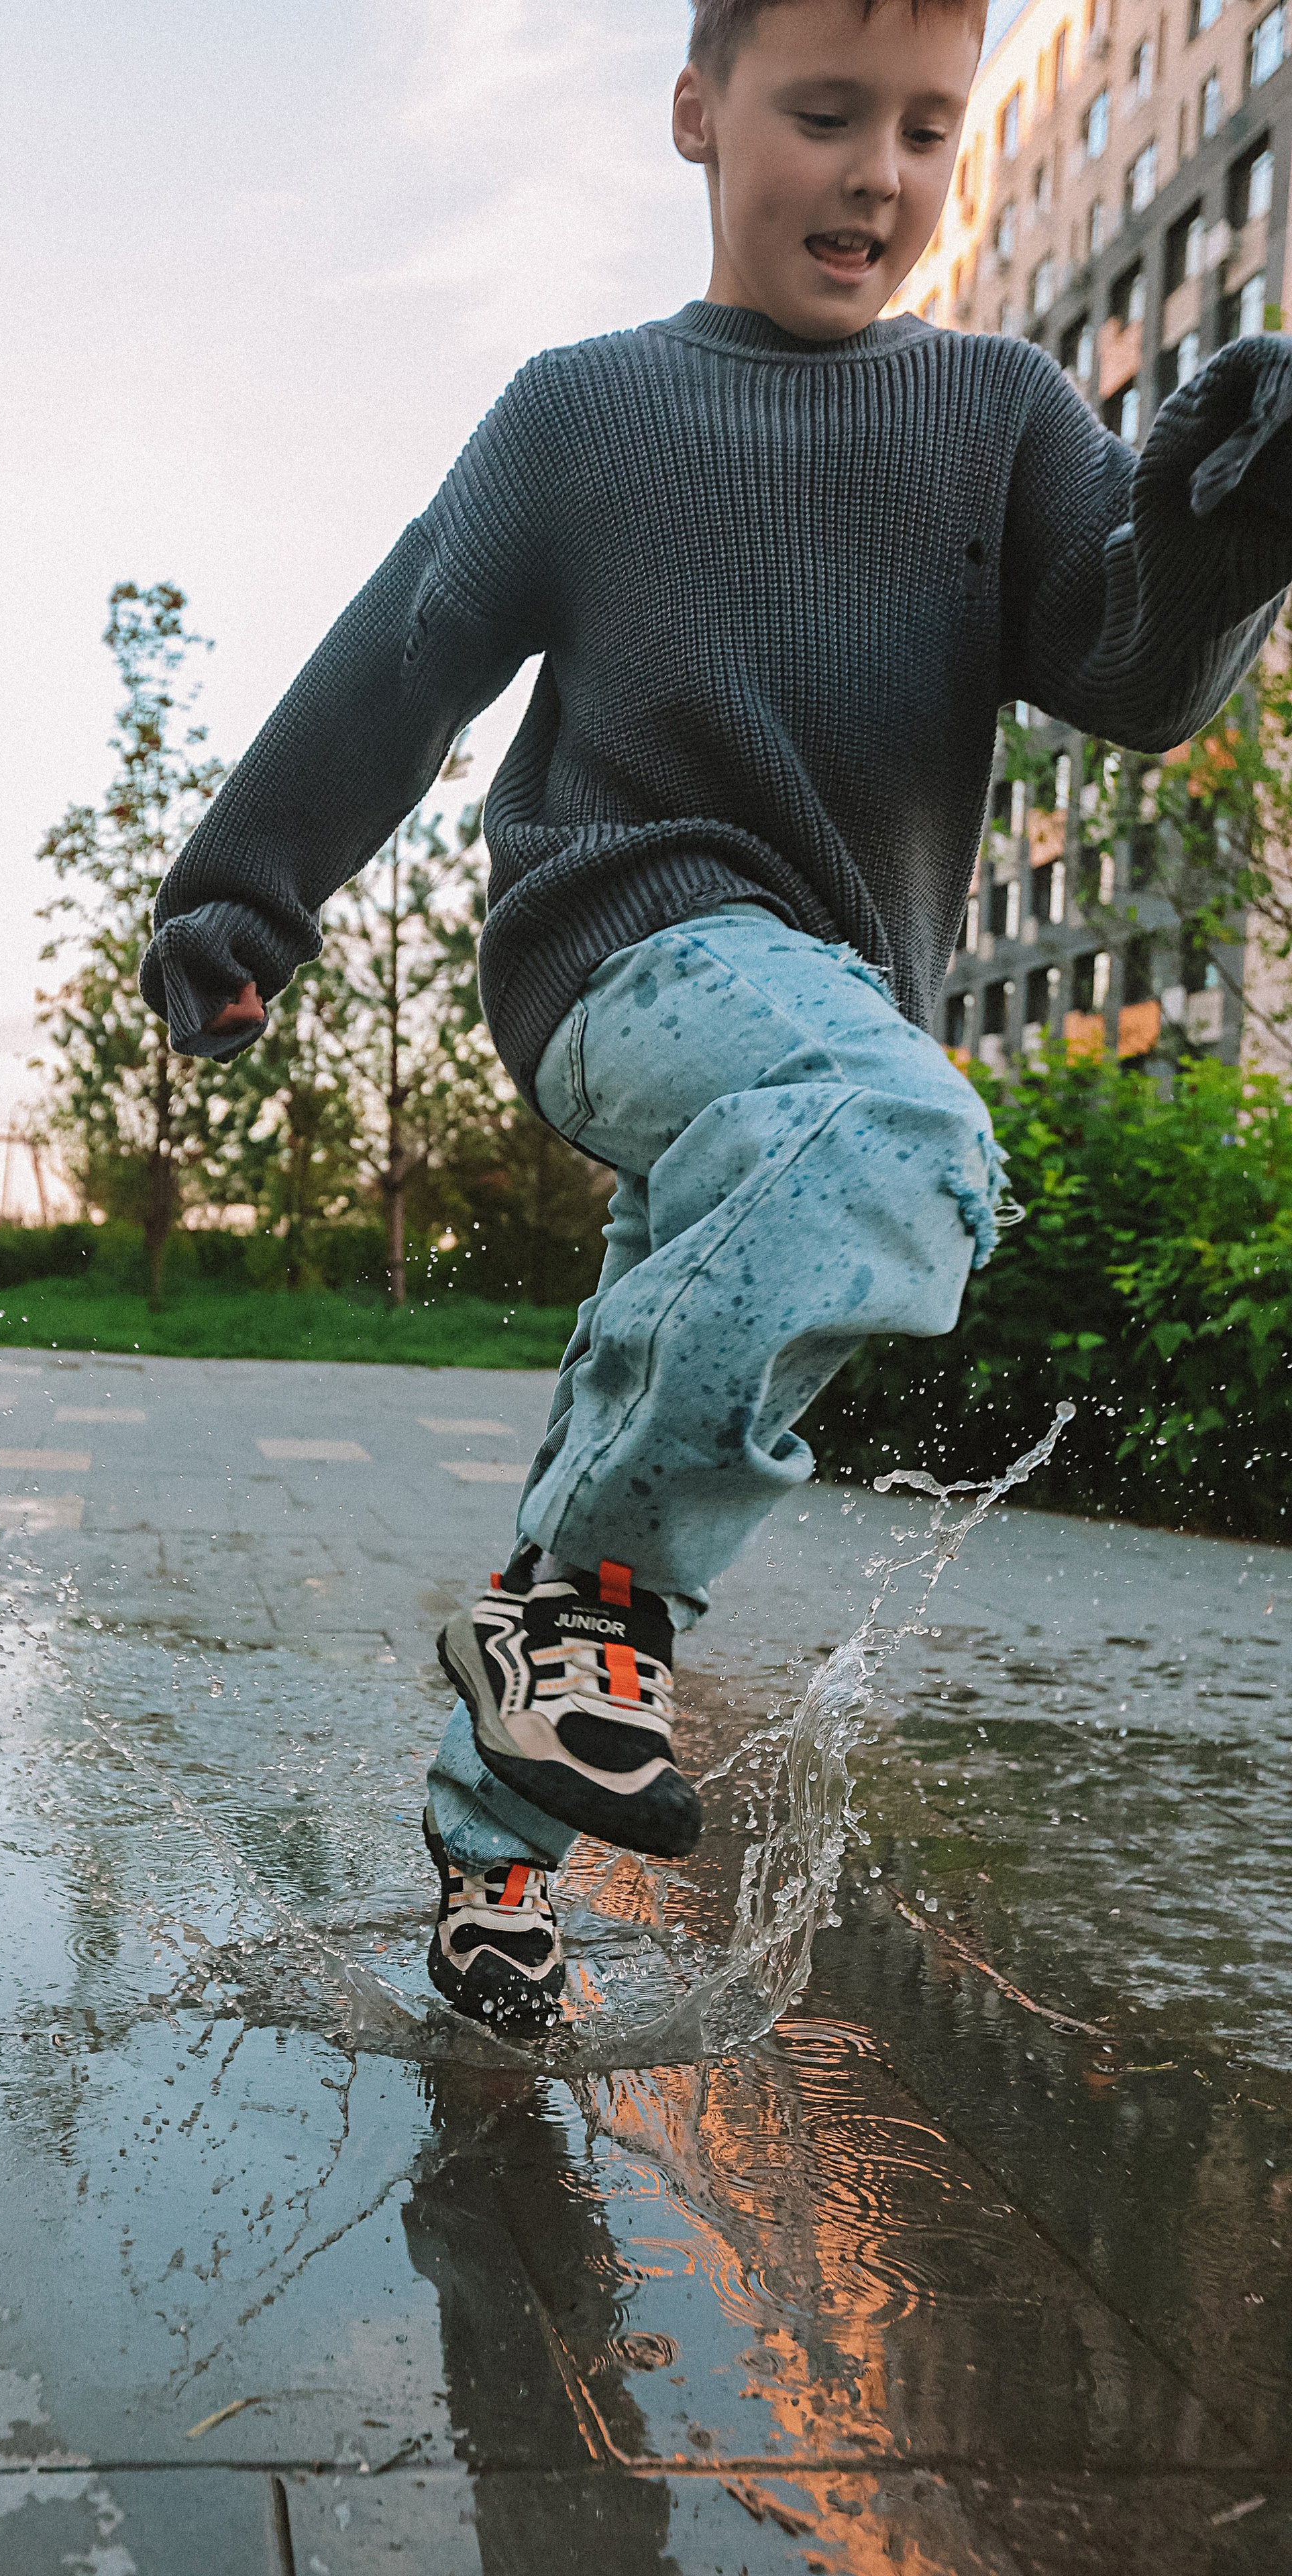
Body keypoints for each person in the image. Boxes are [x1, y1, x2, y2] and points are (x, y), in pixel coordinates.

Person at [141, 0, 1292, 2032]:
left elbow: (1131, 668)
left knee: (635, 1395)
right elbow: (410, 652)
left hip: (809, 1028)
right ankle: (579, 1614)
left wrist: (1215, 537)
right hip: (622, 951)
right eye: (825, 115)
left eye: (926, 132)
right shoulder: (580, 412)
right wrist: (243, 887)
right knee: (905, 1140)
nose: (877, 173)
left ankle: (492, 1873)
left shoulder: (1001, 413)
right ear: (696, 113)